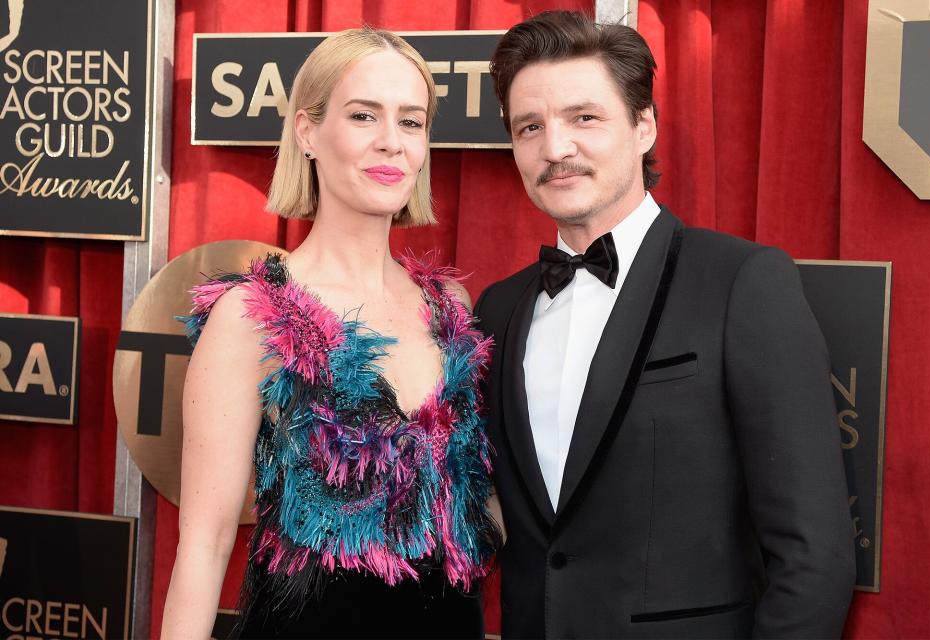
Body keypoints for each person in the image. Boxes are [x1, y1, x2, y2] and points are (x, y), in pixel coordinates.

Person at [474, 11, 856, 639]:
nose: (555, 148)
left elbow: (814, 556)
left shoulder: (742, 283)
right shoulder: (498, 308)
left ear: (644, 125)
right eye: (530, 127)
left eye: (584, 118)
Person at [161, 27, 501, 640]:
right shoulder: (252, 314)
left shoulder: (451, 307)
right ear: (308, 131)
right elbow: (204, 549)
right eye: (363, 115)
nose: (391, 143)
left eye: (412, 121)